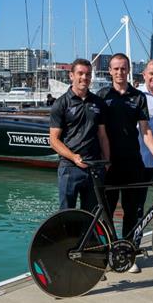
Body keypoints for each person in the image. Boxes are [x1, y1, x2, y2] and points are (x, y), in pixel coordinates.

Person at [98, 53, 153, 274]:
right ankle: (108, 253)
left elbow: (146, 131)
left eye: (123, 68)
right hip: (108, 164)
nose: (120, 72)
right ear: (110, 71)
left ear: (129, 70)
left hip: (133, 162)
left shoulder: (138, 97)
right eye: (116, 69)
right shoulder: (101, 96)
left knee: (133, 211)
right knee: (106, 211)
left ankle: (129, 253)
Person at [49, 58, 111, 211]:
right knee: (66, 213)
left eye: (88, 74)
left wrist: (107, 161)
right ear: (71, 76)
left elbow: (102, 135)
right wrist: (74, 157)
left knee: (91, 215)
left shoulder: (98, 103)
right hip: (70, 167)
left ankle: (87, 236)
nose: (84, 77)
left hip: (94, 167)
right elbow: (54, 140)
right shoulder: (61, 104)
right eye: (80, 73)